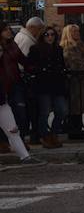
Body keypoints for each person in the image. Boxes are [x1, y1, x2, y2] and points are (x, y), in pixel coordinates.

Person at [0, 22, 42, 164]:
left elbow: (22, 60)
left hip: (7, 89)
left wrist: (34, 68)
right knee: (12, 125)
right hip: (4, 90)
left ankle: (25, 156)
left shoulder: (11, 45)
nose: (9, 31)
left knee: (14, 126)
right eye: (6, 30)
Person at [29, 25, 69, 149]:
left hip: (57, 84)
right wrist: (41, 70)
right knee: (44, 112)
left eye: (52, 34)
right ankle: (45, 136)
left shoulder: (58, 49)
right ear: (42, 36)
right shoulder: (35, 49)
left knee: (62, 110)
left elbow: (62, 64)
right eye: (47, 35)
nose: (50, 37)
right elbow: (31, 65)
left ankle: (54, 133)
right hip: (43, 84)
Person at [14, 16, 44, 143]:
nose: (40, 32)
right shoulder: (27, 41)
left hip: (23, 80)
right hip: (26, 81)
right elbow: (24, 63)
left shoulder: (22, 37)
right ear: (32, 27)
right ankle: (32, 136)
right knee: (31, 110)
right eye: (39, 29)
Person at [60, 24, 84, 140]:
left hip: (81, 81)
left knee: (78, 107)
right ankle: (74, 130)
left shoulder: (79, 45)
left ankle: (77, 128)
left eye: (78, 31)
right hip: (75, 81)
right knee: (75, 107)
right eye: (74, 32)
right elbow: (75, 64)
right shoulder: (69, 47)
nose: (77, 34)